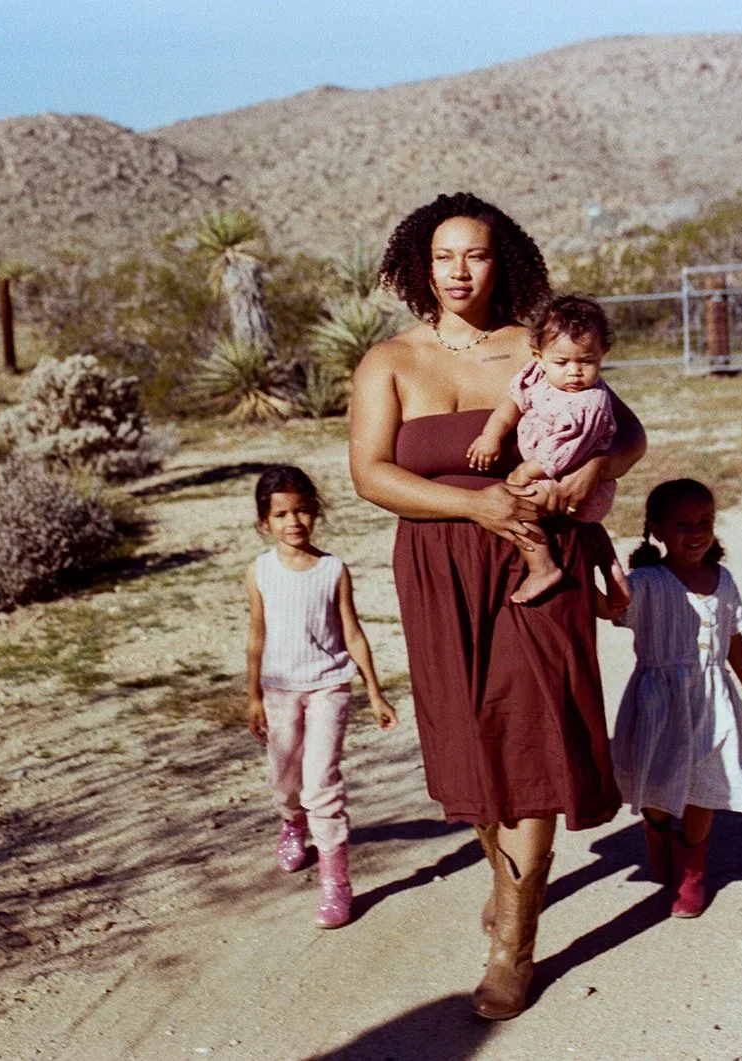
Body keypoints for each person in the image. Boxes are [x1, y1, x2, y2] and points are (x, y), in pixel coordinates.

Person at [348, 192, 645, 1020]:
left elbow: (625, 433)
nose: (458, 270)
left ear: (500, 259)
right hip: (441, 565)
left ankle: (513, 943)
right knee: (472, 737)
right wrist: (471, 505)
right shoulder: (390, 362)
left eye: (474, 254)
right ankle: (508, 879)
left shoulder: (538, 346)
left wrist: (592, 474)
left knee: (537, 726)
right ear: (420, 264)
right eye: (444, 255)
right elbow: (371, 473)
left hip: (538, 559)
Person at [602, 478, 742, 918]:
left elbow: (732, 635)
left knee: (704, 784)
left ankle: (692, 870)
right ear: (656, 528)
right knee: (658, 779)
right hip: (659, 703)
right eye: (682, 524)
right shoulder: (647, 583)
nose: (695, 533)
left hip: (714, 702)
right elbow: (607, 607)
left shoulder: (723, 579)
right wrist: (596, 564)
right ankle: (657, 831)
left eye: (705, 522)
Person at [244, 464, 398, 929]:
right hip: (278, 689)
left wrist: (375, 692)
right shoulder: (260, 572)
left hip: (330, 685)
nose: (294, 522)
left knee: (321, 785)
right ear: (264, 522)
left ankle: (336, 884)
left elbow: (352, 633)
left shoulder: (333, 570)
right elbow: (256, 636)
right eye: (282, 514)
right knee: (285, 780)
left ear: (316, 514)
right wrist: (252, 695)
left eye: (304, 511)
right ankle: (292, 823)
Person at [466, 294, 624, 605]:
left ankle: (543, 568)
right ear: (539, 356)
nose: (574, 372)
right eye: (562, 362)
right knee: (559, 523)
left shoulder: (589, 402)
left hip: (564, 478)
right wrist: (491, 435)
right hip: (548, 473)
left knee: (513, 506)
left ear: (603, 353)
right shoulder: (537, 376)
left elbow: (565, 453)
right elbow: (512, 403)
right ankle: (606, 564)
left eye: (587, 361)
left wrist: (527, 470)